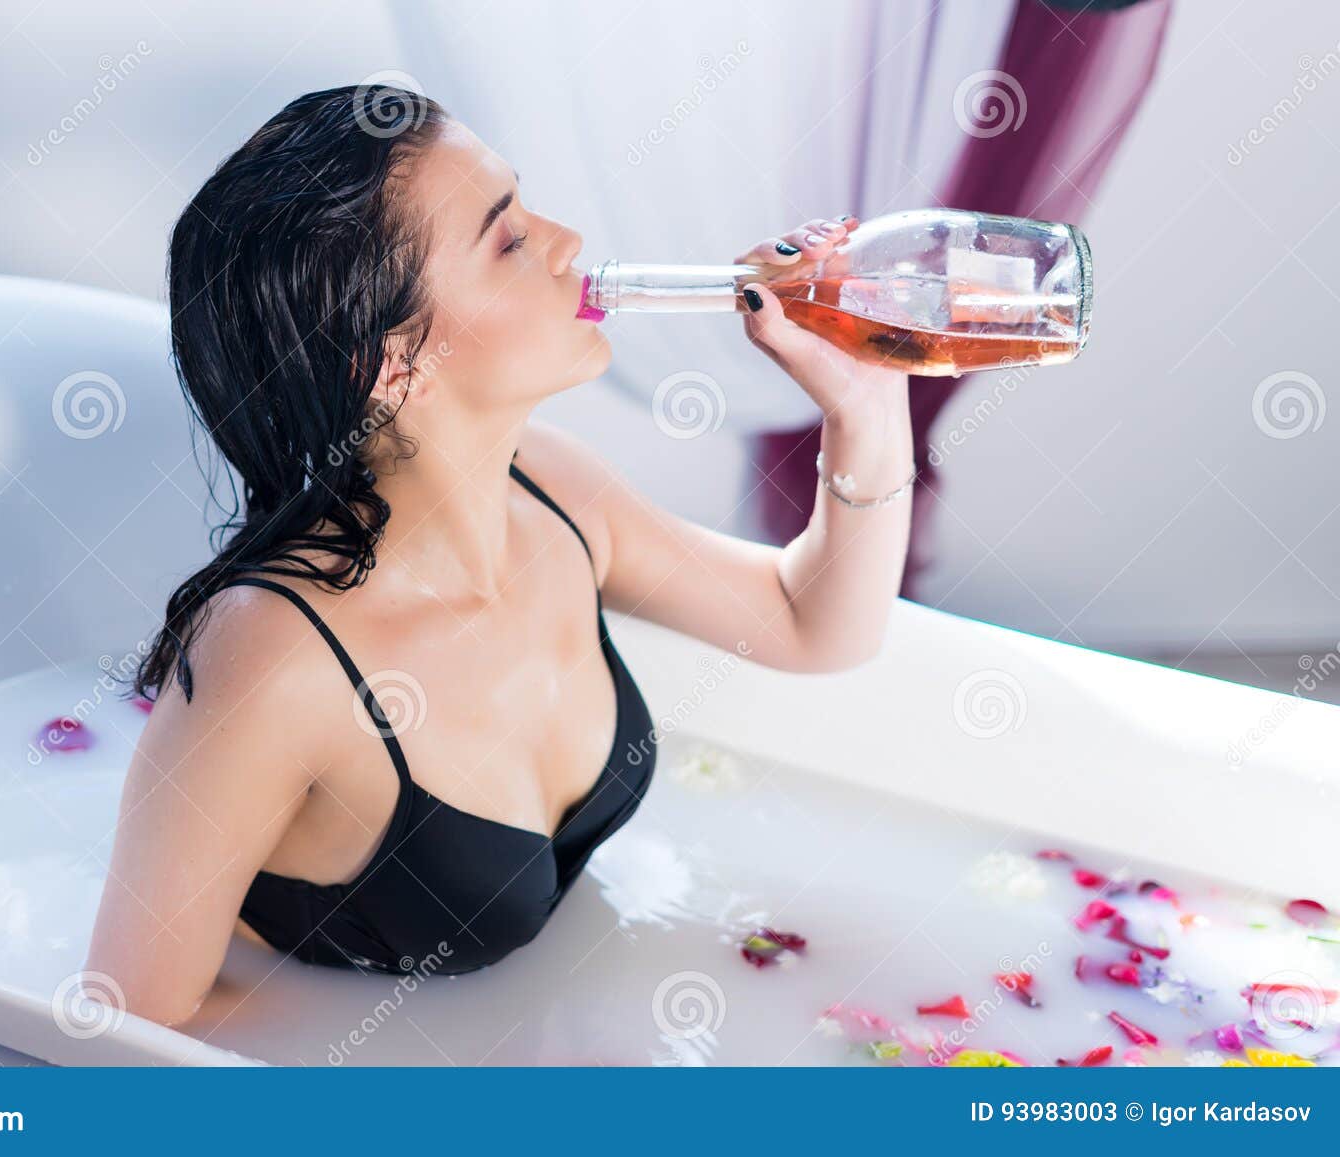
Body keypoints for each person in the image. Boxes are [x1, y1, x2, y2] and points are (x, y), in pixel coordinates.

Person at [83, 84, 915, 1027]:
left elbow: (815, 627)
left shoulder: (554, 490)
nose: (565, 240)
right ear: (390, 362)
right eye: (509, 239)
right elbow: (127, 1023)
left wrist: (866, 404)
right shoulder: (271, 655)